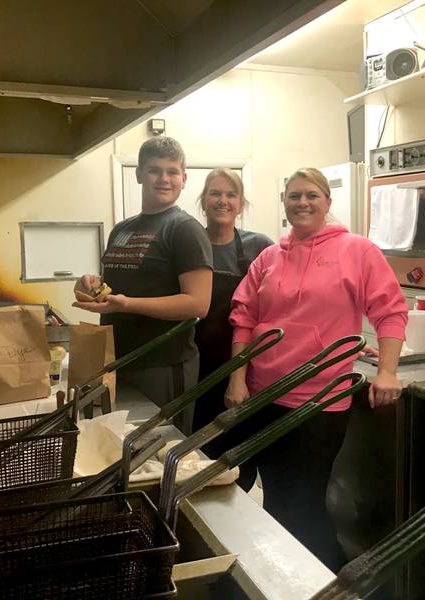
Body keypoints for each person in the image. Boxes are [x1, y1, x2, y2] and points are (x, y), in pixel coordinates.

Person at [225, 167, 408, 572]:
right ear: (284, 203)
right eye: (294, 196)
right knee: (275, 496)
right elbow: (243, 317)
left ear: (327, 202)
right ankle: (280, 577)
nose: (302, 203)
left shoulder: (356, 251)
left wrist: (388, 371)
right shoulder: (269, 256)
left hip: (319, 401)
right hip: (262, 395)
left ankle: (324, 579)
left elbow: (391, 310)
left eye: (311, 195)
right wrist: (238, 377)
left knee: (303, 503)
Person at [73, 137, 213, 434]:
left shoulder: (185, 230)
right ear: (139, 174)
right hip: (117, 359)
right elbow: (112, 286)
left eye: (172, 172)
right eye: (154, 170)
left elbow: (198, 304)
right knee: (122, 448)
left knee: (161, 450)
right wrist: (88, 285)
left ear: (184, 179)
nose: (164, 179)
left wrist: (129, 304)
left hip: (163, 364)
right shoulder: (122, 229)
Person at [191, 168, 273, 490]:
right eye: (215, 193)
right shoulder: (188, 243)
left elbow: (287, 303)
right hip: (196, 367)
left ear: (241, 203)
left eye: (230, 194)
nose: (222, 200)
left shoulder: (260, 247)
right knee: (200, 449)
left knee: (242, 456)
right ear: (203, 201)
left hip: (246, 365)